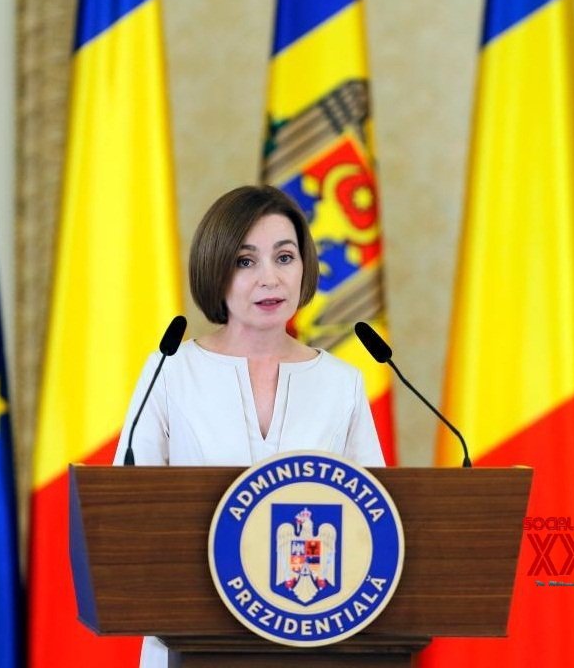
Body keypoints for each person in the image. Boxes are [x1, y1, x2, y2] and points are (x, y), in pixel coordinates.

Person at [113, 185, 385, 667]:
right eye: (245, 261)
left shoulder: (342, 382)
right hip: (188, 639)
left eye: (284, 257)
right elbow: (127, 515)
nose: (269, 279)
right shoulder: (171, 369)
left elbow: (376, 521)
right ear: (215, 270)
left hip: (312, 639)